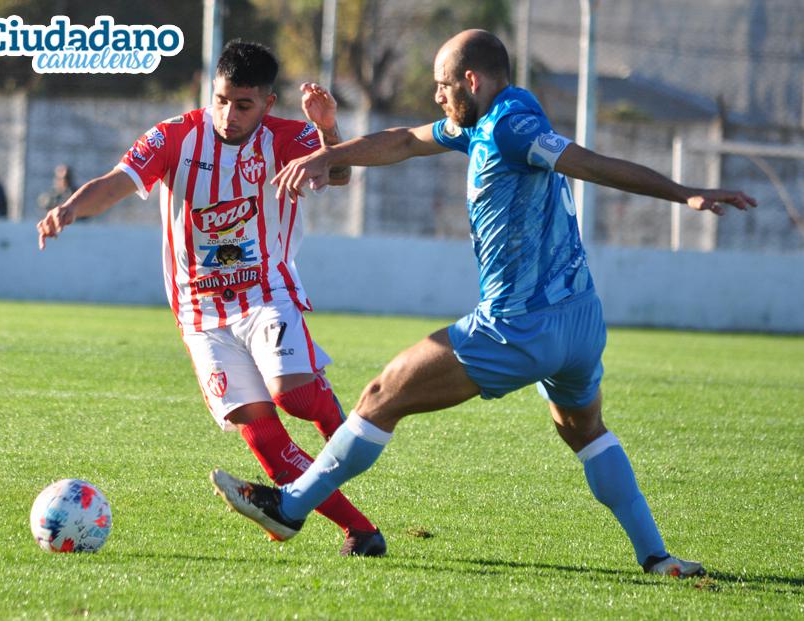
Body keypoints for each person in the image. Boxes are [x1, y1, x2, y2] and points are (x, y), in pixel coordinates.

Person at [211, 30, 758, 576]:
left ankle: (290, 506)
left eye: (442, 85)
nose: (437, 97)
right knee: (584, 431)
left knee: (382, 394)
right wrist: (328, 154)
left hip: (518, 326)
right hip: (581, 323)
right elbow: (404, 140)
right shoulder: (491, 117)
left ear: (471, 81)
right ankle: (657, 556)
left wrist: (684, 192)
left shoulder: (512, 128)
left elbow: (590, 164)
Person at [37, 40, 385, 557]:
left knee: (291, 394)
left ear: (267, 102)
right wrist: (70, 208)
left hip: (267, 292)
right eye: (222, 99)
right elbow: (117, 181)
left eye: (243, 104)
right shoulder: (175, 136)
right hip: (200, 313)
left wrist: (329, 130)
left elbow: (338, 172)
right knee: (261, 432)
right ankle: (360, 532)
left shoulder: (288, 137)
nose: (228, 113)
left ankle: (344, 427)